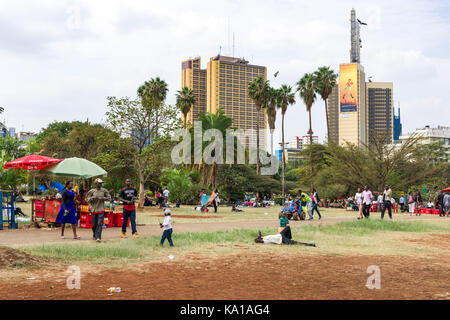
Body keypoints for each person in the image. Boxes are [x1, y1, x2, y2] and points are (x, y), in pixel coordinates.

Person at [86, 178, 111, 242]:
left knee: (99, 223)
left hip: (101, 209)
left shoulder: (104, 190)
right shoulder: (92, 191)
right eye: (99, 183)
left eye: (101, 183)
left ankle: (98, 237)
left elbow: (109, 198)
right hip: (94, 210)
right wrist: (92, 198)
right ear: (96, 184)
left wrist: (102, 198)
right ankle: (94, 235)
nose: (100, 184)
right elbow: (87, 199)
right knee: (94, 224)